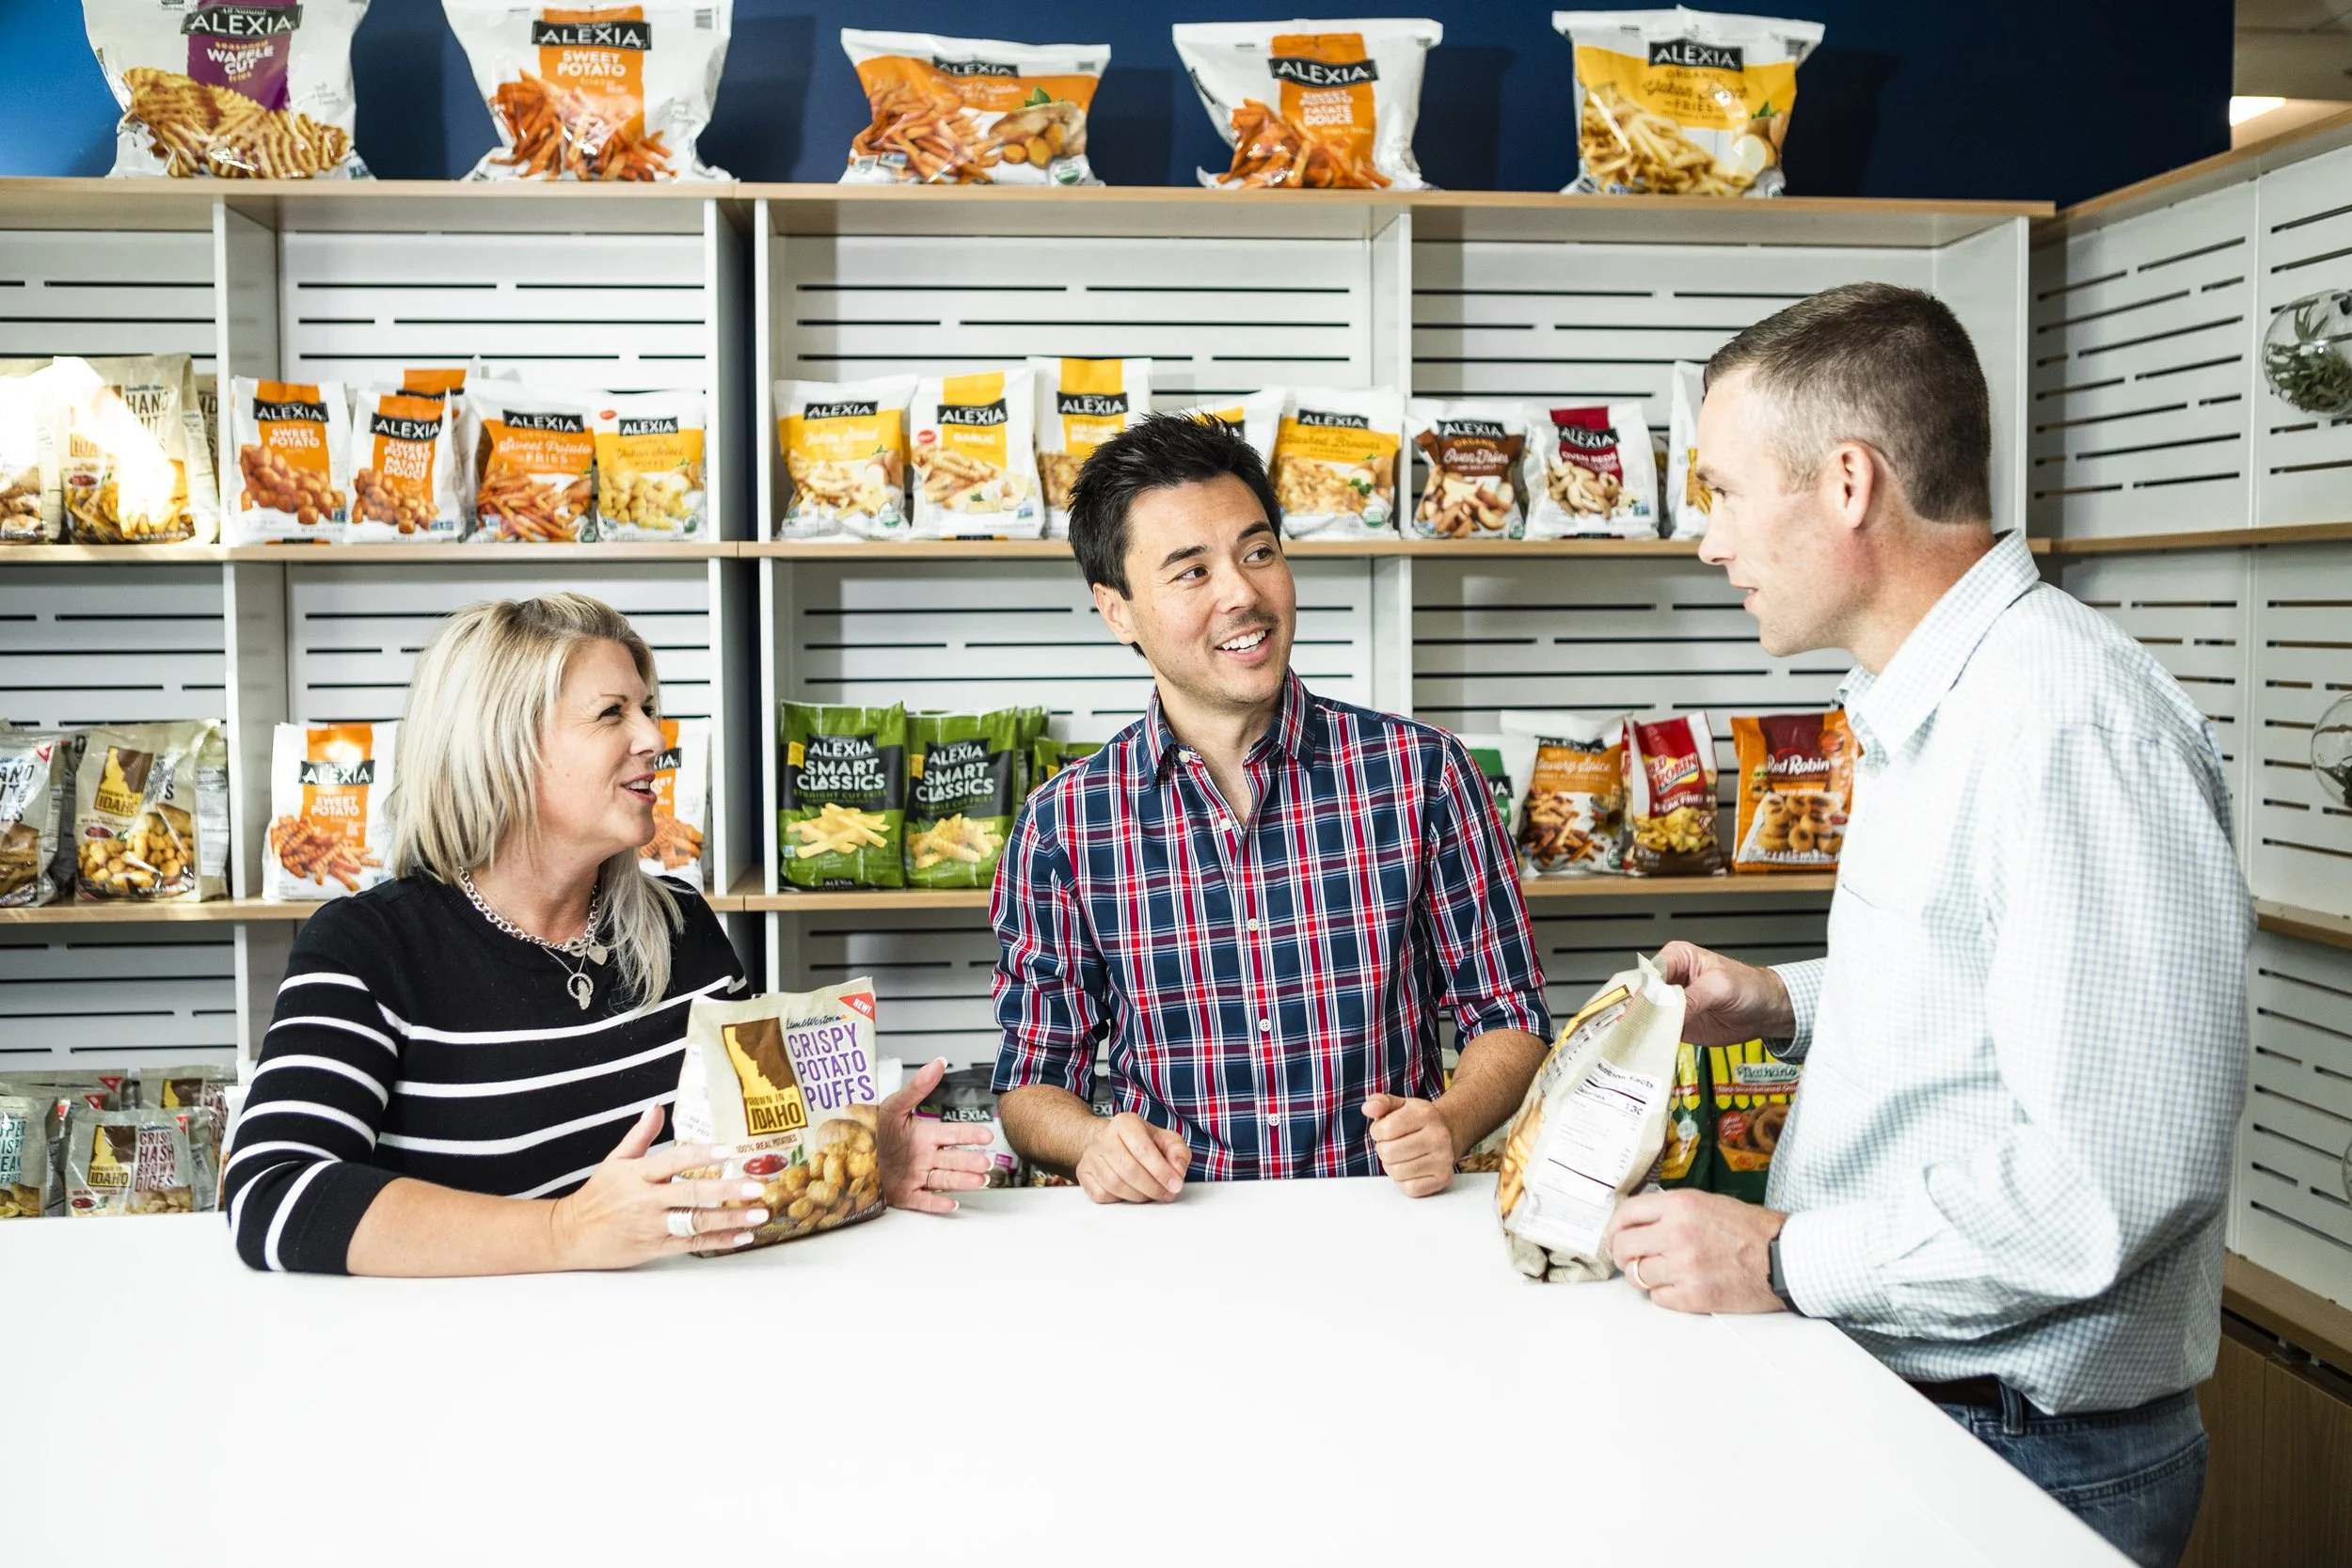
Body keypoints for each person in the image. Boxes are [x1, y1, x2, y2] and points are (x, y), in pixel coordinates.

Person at [1601, 283, 2249, 1568]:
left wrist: (1783, 1254)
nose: (1706, 538)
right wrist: (1787, 1001)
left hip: (2029, 1451)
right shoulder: (1937, 699)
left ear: (1848, 483)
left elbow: (2109, 1180)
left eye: (1725, 490)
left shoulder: (2061, 724)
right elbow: (2004, 995)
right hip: (1927, 1412)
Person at [225, 594, 989, 1275]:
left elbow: (746, 1153)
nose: (654, 736)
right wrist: (564, 1232)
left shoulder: (679, 925)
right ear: (503, 745)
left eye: (649, 708)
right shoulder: (368, 948)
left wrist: (851, 1151)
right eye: (612, 712)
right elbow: (271, 1192)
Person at [989, 414, 1550, 1203]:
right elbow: (1031, 1081)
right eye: (1191, 572)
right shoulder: (1062, 826)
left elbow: (1510, 1012)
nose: (1243, 594)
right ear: (1118, 612)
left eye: (1258, 553)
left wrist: (1449, 1121)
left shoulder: (1423, 774)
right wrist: (1092, 1144)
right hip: (1178, 1238)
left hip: (1383, 1229)